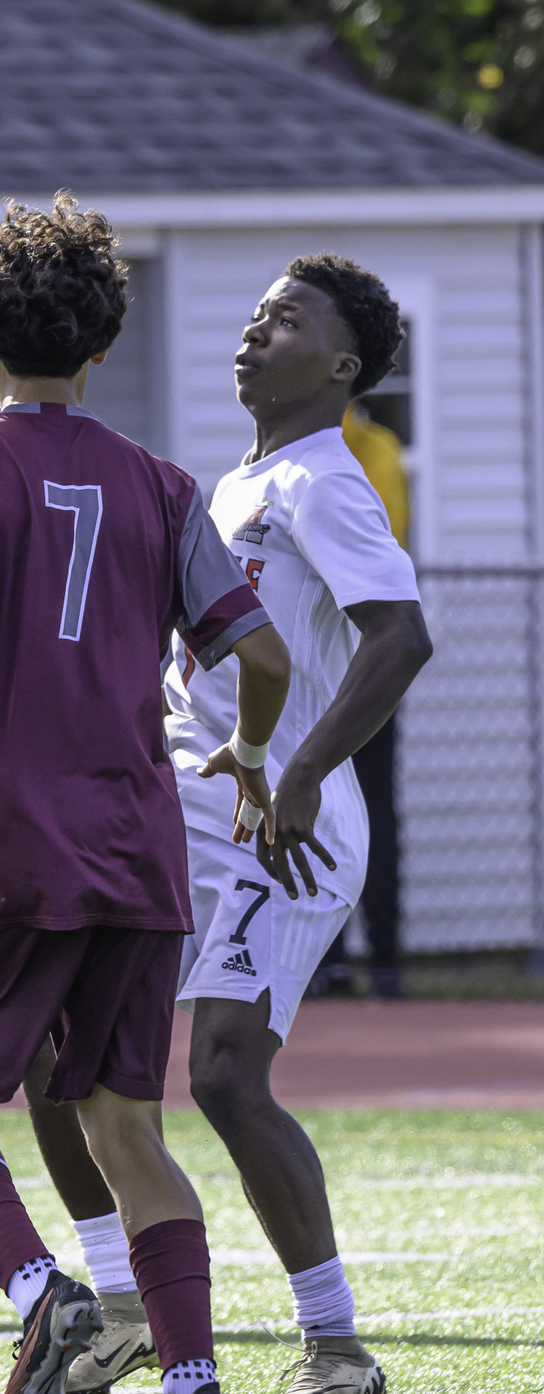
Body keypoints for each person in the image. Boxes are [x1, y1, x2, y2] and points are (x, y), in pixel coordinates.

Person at [0, 197, 292, 1394]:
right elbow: (257, 659)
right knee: (124, 1124)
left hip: (9, 840)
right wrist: (249, 757)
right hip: (137, 845)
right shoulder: (162, 487)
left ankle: (43, 1294)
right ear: (99, 348)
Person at [27, 254, 433, 1394]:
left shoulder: (324, 483)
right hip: (178, 811)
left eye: (287, 320)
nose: (257, 332)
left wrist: (300, 771)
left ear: (341, 365)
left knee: (222, 1075)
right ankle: (119, 1303)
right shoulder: (232, 486)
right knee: (62, 1056)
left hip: (277, 829)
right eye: (255, 314)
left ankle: (335, 1343)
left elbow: (399, 637)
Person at [308, 403, 411, 999]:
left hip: (366, 671)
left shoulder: (376, 451)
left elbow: (384, 543)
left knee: (374, 811)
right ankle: (330, 960)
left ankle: (387, 956)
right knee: (314, 810)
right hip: (315, 672)